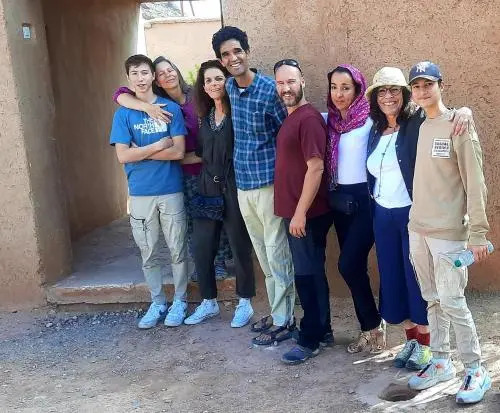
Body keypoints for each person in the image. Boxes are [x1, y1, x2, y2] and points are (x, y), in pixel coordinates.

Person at [366, 67, 474, 371]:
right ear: (375, 98)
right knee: (392, 278)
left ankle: (427, 345)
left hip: (413, 212)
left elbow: (443, 116)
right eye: (382, 91)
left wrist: (464, 111)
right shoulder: (375, 129)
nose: (388, 97)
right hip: (382, 214)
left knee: (417, 279)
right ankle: (410, 340)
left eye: (394, 90)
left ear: (405, 94)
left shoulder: (417, 123)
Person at [406, 61, 491, 404]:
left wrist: (479, 233)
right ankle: (441, 362)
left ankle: (475, 369)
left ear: (441, 85)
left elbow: (475, 181)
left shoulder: (459, 124)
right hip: (418, 229)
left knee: (453, 301)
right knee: (432, 299)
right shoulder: (419, 124)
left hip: (449, 233)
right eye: (416, 86)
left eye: (428, 84)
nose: (422, 91)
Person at [212, 26, 296, 346]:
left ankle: (286, 319)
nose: (233, 58)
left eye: (237, 51)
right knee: (263, 254)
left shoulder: (269, 90)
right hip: (243, 186)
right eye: (226, 55)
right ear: (221, 60)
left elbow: (286, 136)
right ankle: (277, 312)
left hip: (269, 185)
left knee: (277, 254)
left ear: (247, 52)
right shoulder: (229, 89)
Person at [112, 57, 232, 280]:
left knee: (216, 215)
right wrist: (147, 107)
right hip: (181, 172)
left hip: (210, 166)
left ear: (177, 70)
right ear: (156, 79)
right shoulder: (160, 105)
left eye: (170, 69)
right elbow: (120, 94)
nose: (167, 74)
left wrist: (141, 154)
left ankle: (219, 262)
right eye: (161, 73)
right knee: (190, 221)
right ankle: (201, 263)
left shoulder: (197, 95)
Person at [109, 54, 188, 329]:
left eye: (145, 72)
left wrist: (139, 152)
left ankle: (180, 300)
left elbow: (178, 151)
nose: (140, 78)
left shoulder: (171, 109)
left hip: (170, 189)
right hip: (141, 193)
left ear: (153, 76)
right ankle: (157, 302)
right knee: (149, 251)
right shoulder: (123, 114)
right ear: (128, 78)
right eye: (135, 74)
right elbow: (122, 156)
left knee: (177, 249)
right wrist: (157, 146)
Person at [183, 60, 256, 327]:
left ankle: (245, 302)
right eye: (208, 80)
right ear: (203, 87)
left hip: (233, 186)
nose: (214, 84)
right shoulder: (205, 117)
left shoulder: (238, 112)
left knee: (239, 245)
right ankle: (208, 302)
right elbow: (201, 153)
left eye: (218, 78)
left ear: (227, 81)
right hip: (206, 187)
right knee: (202, 247)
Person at [273, 59, 333, 364]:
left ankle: (310, 339)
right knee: (311, 273)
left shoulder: (308, 119)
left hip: (306, 214)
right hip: (299, 212)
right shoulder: (292, 117)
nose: (286, 88)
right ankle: (323, 330)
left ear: (303, 82)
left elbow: (316, 167)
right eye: (281, 83)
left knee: (307, 275)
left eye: (291, 82)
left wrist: (299, 213)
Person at [325, 65, 385, 353]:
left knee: (347, 264)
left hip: (366, 201)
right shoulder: (329, 121)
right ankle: (370, 330)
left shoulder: (372, 120)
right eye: (334, 87)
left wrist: (461, 113)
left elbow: (410, 119)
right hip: (340, 202)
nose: (339, 94)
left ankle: (374, 324)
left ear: (358, 89)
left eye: (346, 87)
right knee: (355, 266)